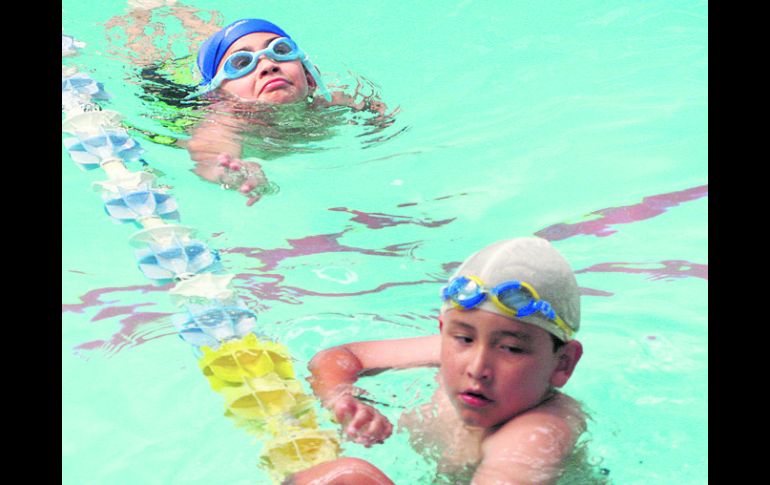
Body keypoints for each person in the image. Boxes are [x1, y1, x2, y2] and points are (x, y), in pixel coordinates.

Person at [287, 237, 588, 485]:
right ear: (444, 333)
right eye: (464, 339)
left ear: (563, 364)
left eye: (510, 348)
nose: (477, 367)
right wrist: (341, 399)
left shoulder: (538, 432)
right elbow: (336, 359)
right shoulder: (455, 355)